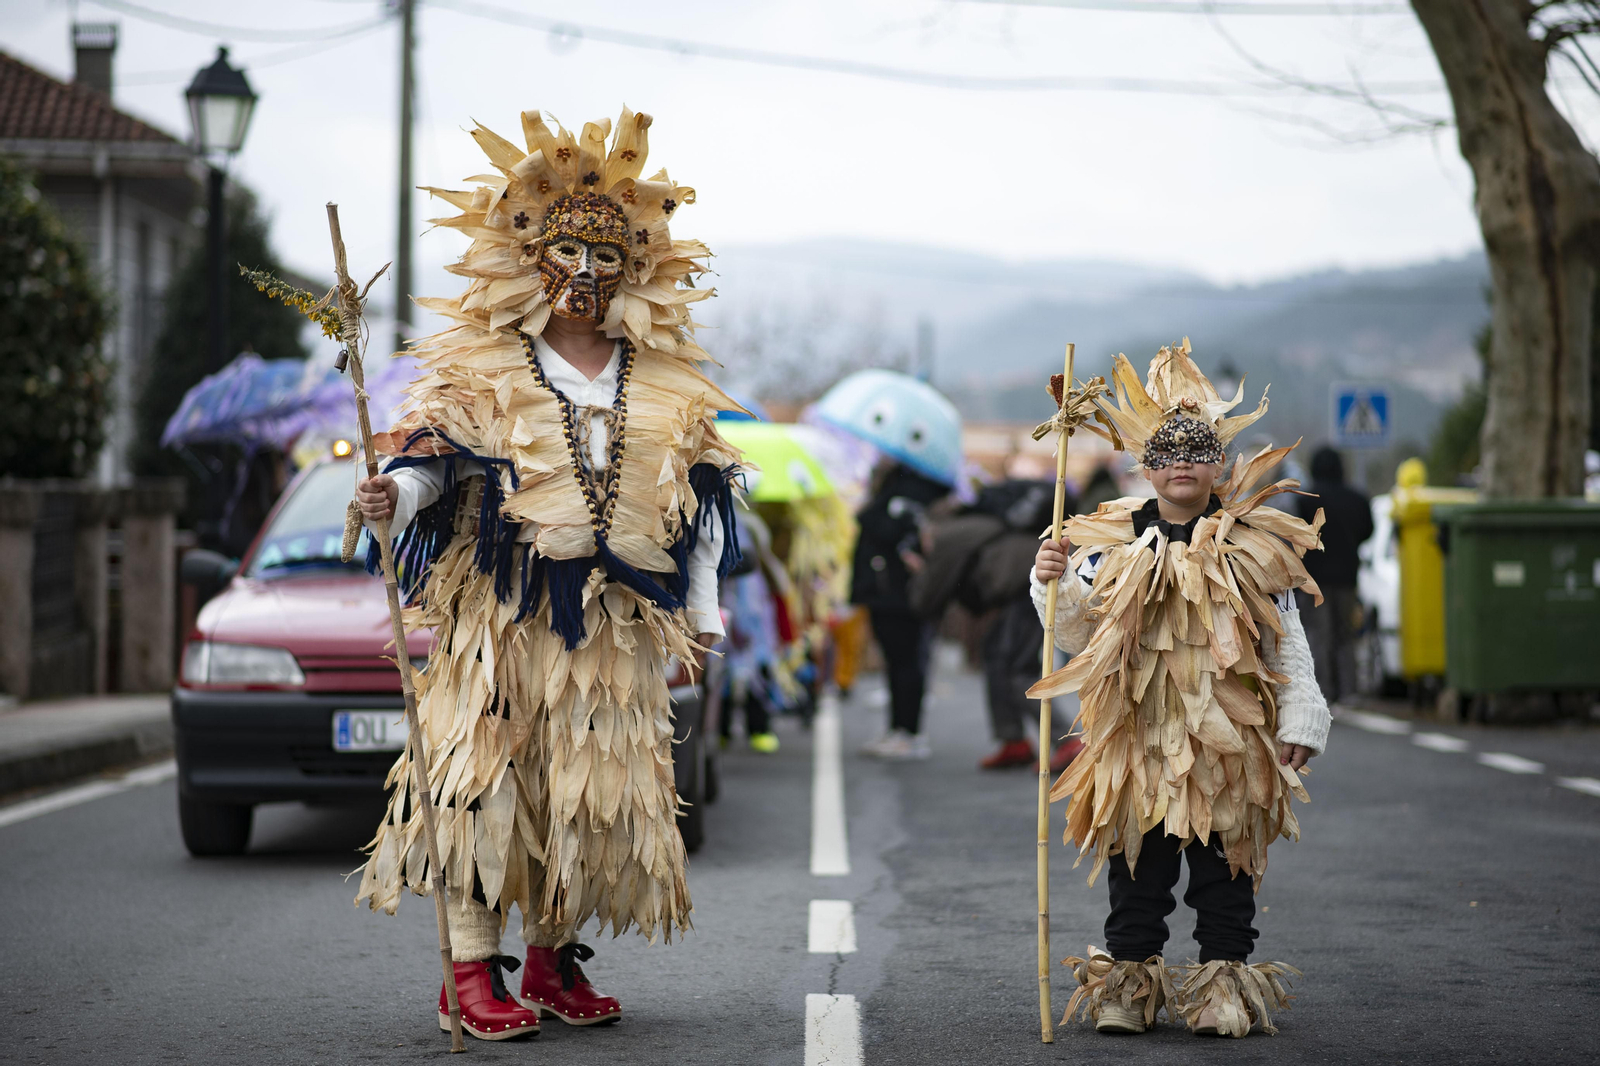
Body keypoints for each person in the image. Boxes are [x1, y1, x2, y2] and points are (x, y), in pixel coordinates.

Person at [351, 109, 743, 1042]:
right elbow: (432, 462)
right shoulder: (482, 363)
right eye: (566, 250)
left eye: (607, 255)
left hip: (612, 630)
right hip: (503, 620)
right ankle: (470, 972)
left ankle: (551, 961)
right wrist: (393, 499)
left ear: (633, 267)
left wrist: (701, 613)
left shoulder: (664, 377)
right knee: (486, 784)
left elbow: (701, 507)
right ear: (531, 259)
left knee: (585, 793)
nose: (586, 272)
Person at [1030, 339, 1330, 1038]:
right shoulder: (1110, 539)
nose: (1184, 465)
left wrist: (1301, 717)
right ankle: (1129, 986)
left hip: (1228, 735)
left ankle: (1222, 986)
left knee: (1225, 868)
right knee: (1136, 864)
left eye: (1198, 453)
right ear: (1147, 467)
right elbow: (1074, 633)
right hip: (1135, 734)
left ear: (1220, 464)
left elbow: (1285, 636)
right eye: (1168, 456)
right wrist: (1050, 580)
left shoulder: (1250, 542)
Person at [908, 479, 1081, 773]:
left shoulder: (947, 537)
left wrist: (917, 572)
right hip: (1019, 585)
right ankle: (1013, 740)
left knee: (1015, 667)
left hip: (1026, 586)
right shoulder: (971, 524)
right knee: (996, 656)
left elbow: (926, 598)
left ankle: (1066, 741)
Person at [849, 459, 949, 759]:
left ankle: (907, 733)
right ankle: (900, 730)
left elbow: (883, 528)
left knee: (904, 664)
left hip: (894, 595)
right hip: (893, 594)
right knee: (901, 664)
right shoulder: (909, 492)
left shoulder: (903, 495)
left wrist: (870, 507)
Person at [1295, 446, 1374, 706]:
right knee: (1345, 635)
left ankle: (1323, 691)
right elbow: (1368, 531)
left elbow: (1295, 534)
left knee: (1318, 634)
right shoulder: (1358, 499)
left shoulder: (1305, 500)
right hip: (1348, 578)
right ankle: (1349, 690)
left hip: (1313, 579)